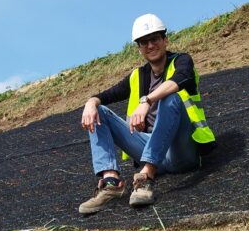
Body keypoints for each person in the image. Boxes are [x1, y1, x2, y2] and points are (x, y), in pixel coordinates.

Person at [79, 13, 216, 214]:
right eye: (144, 42)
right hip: (149, 147)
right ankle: (111, 182)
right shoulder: (138, 75)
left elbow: (182, 79)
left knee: (172, 97)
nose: (150, 46)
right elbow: (107, 94)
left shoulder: (182, 61)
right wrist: (91, 102)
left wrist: (147, 100)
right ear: (139, 48)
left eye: (154, 39)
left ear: (165, 40)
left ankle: (146, 178)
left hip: (182, 152)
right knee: (98, 110)